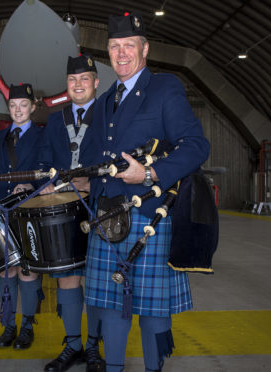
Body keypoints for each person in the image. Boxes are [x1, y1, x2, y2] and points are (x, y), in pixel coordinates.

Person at [83, 12, 210, 372]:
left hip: (148, 215)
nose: (121, 53)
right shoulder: (106, 99)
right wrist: (84, 183)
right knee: (110, 307)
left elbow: (196, 146)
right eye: (114, 46)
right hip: (107, 217)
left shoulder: (164, 88)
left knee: (153, 311)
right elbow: (98, 157)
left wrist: (151, 173)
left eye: (129, 46)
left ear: (145, 49)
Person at [38, 54, 105, 372]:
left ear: (95, 83)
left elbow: (117, 156)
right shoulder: (54, 119)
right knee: (67, 278)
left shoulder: (109, 115)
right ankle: (73, 346)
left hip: (98, 207)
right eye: (72, 80)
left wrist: (93, 181)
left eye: (84, 79)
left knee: (94, 280)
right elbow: (45, 158)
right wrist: (49, 183)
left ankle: (93, 348)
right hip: (64, 208)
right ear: (67, 85)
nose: (78, 85)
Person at [0, 83, 44, 350]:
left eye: (23, 105)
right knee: (6, 268)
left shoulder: (43, 136)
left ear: (33, 107)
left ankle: (27, 327)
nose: (18, 110)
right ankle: (8, 326)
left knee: (27, 270)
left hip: (29, 210)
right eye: (13, 106)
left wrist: (31, 186)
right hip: (0, 209)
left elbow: (50, 171)